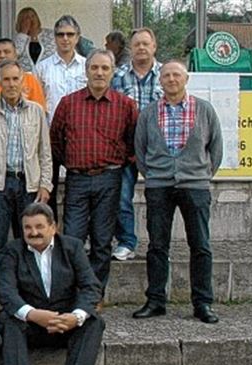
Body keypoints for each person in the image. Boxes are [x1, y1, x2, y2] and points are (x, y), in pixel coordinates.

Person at [132, 61, 223, 324]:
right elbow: (140, 150)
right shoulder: (149, 113)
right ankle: (156, 300)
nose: (171, 79)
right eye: (166, 75)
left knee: (201, 246)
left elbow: (215, 148)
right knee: (157, 245)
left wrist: (201, 175)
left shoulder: (204, 110)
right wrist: (154, 175)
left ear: (186, 79)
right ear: (160, 80)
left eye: (176, 75)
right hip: (159, 185)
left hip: (195, 186)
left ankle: (203, 303)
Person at [0, 203, 104, 365]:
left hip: (65, 323)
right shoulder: (13, 250)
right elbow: (6, 291)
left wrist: (75, 317)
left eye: (39, 226)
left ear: (53, 227)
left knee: (95, 321)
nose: (33, 232)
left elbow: (91, 286)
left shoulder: (72, 247)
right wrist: (33, 314)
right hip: (32, 325)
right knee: (7, 318)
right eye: (28, 228)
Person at [51, 49, 138, 291]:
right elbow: (56, 141)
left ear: (112, 72)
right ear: (86, 70)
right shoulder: (68, 104)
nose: (99, 73)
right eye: (94, 68)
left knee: (102, 240)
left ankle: (94, 294)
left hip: (109, 179)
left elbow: (134, 141)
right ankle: (71, 291)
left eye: (105, 68)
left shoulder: (126, 106)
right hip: (77, 179)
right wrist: (69, 163)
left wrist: (120, 163)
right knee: (72, 239)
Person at [0, 59, 52, 255]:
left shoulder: (36, 111)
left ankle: (26, 284)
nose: (11, 84)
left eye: (15, 79)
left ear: (23, 81)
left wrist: (45, 184)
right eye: (6, 79)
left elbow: (44, 151)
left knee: (29, 239)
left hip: (28, 184)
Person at [110, 28, 163, 262]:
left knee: (160, 199)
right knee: (122, 197)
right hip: (126, 147)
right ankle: (126, 242)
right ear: (130, 48)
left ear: (154, 47)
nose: (141, 48)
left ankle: (160, 246)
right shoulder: (118, 76)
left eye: (145, 43)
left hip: (158, 149)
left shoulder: (167, 74)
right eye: (137, 44)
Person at [35, 15, 87, 222]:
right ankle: (52, 232)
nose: (65, 39)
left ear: (78, 37)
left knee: (78, 188)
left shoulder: (87, 66)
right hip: (50, 136)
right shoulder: (42, 68)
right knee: (50, 185)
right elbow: (38, 103)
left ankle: (77, 233)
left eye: (70, 34)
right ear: (55, 38)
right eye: (60, 35)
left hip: (81, 136)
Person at [0, 38, 46, 109]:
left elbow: (39, 111)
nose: (2, 55)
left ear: (15, 55)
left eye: (7, 52)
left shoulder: (30, 80)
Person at [13, 7, 56, 72]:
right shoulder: (19, 38)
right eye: (26, 17)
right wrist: (23, 33)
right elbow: (15, 54)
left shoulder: (50, 34)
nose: (31, 19)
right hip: (25, 77)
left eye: (33, 16)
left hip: (47, 76)